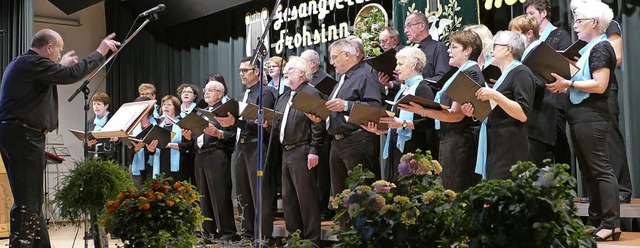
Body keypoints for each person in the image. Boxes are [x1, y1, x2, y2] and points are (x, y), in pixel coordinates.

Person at [0, 29, 119, 247]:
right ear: (49, 48)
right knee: (28, 202)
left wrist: (61, 65)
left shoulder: (28, 65)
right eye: (59, 51)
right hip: (24, 136)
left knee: (32, 202)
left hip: (21, 135)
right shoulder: (31, 63)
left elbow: (58, 72)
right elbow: (70, 75)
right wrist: (100, 52)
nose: (59, 55)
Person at [547, 1, 621, 240]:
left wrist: (568, 83)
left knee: (600, 169)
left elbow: (599, 85)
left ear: (595, 23)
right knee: (589, 171)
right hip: (580, 115)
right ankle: (596, 219)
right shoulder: (589, 48)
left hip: (593, 115)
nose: (575, 26)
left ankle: (611, 223)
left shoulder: (601, 47)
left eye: (579, 21)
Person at [398, 30, 485, 191]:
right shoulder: (460, 72)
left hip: (460, 141)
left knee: (457, 192)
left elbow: (456, 115)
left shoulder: (470, 72)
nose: (448, 51)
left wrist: (422, 110)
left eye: (453, 47)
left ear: (468, 50)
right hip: (452, 138)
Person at [571, 0, 631, 204]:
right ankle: (597, 194)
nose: (575, 23)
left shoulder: (607, 28)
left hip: (604, 91)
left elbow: (616, 57)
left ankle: (622, 188)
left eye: (578, 18)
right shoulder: (589, 39)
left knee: (610, 139)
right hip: (589, 94)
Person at [215, 57, 277, 243]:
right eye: (240, 70)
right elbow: (240, 125)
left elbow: (262, 124)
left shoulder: (266, 93)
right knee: (242, 192)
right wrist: (225, 125)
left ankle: (263, 236)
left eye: (246, 70)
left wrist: (236, 122)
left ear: (257, 71)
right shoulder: (242, 96)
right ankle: (248, 234)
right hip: (241, 147)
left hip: (257, 145)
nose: (241, 73)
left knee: (260, 194)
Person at [461, 31, 536, 180]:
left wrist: (494, 95)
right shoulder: (504, 75)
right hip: (496, 142)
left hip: (510, 145)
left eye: (495, 46)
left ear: (508, 49)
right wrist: (474, 112)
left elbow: (523, 113)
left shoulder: (521, 72)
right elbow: (497, 111)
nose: (491, 51)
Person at [320, 38, 384, 200]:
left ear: (347, 55)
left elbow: (374, 107)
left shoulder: (365, 76)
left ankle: (363, 226)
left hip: (357, 140)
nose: (332, 62)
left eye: (335, 57)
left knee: (362, 194)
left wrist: (347, 105)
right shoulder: (343, 78)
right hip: (337, 142)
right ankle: (344, 226)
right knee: (341, 197)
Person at [272, 56, 325, 245]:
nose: (286, 72)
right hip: (286, 152)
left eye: (291, 69)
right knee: (289, 198)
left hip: (303, 150)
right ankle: (294, 238)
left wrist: (314, 149)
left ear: (302, 73)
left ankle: (312, 240)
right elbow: (280, 123)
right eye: (286, 69)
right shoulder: (285, 96)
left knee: (306, 198)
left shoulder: (310, 93)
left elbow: (318, 124)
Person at [363, 46, 435, 181]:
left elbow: (430, 122)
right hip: (395, 151)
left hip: (414, 152)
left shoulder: (423, 89)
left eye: (400, 64)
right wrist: (382, 130)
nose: (396, 68)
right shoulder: (402, 91)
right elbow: (397, 123)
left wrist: (403, 124)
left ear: (413, 65)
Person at [525, 0, 574, 169]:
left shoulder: (559, 35)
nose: (528, 17)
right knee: (539, 146)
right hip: (537, 97)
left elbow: (566, 66)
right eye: (526, 14)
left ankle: (565, 184)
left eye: (532, 14)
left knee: (558, 141)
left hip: (555, 96)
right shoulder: (531, 38)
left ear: (544, 13)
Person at [509, 15, 558, 166]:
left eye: (514, 34)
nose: (511, 39)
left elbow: (537, 84)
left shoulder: (538, 52)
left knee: (536, 177)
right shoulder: (527, 54)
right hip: (533, 125)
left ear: (529, 34)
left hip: (538, 124)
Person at [194, 81, 238, 243]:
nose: (206, 93)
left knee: (220, 194)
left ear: (220, 94)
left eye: (211, 90)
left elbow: (233, 135)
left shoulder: (225, 111)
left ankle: (227, 232)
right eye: (206, 90)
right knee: (203, 196)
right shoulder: (200, 112)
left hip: (217, 154)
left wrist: (219, 133)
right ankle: (209, 233)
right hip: (200, 155)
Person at [300, 49, 335, 220]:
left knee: (322, 173)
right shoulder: (304, 82)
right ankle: (313, 206)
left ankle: (323, 207)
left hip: (323, 130)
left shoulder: (325, 80)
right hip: (307, 131)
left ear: (313, 64)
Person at [403, 12, 451, 82]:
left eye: (409, 26)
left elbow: (442, 77)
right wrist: (392, 85)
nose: (405, 31)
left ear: (421, 26)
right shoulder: (410, 51)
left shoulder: (439, 48)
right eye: (405, 27)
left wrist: (418, 84)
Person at [158, 95, 192, 182]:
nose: (165, 106)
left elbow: (189, 145)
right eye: (164, 104)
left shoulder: (182, 125)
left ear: (176, 108)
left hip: (179, 166)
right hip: (161, 164)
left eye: (169, 105)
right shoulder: (158, 127)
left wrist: (170, 145)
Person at [129, 96, 159, 188]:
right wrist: (135, 149)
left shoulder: (157, 123)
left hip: (153, 161)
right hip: (136, 161)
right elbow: (126, 146)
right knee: (136, 192)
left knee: (151, 193)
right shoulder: (130, 125)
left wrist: (152, 150)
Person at [87, 92, 119, 161]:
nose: (96, 107)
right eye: (94, 104)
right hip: (92, 156)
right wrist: (87, 144)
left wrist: (116, 140)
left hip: (108, 156)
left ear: (106, 106)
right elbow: (85, 140)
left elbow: (120, 141)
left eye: (98, 104)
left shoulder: (113, 120)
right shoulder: (90, 122)